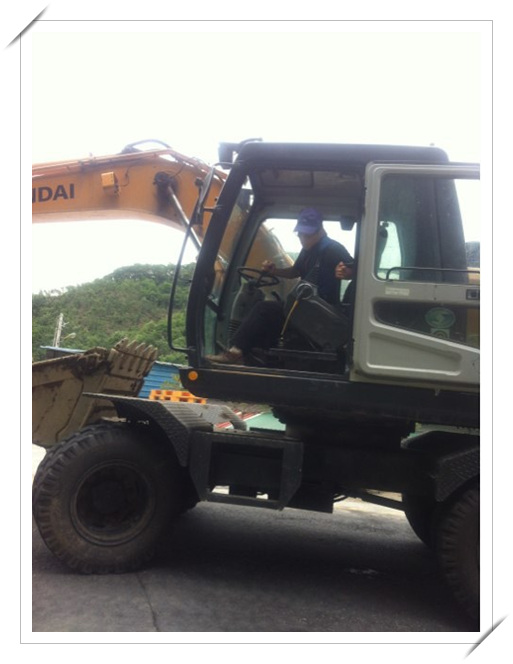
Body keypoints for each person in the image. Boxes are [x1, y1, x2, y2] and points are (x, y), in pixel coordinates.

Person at [206, 207, 354, 365]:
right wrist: (274, 271)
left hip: (320, 313)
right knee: (270, 316)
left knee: (264, 309)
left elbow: (355, 270)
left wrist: (347, 272)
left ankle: (235, 353)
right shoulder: (308, 250)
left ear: (320, 230)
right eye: (300, 234)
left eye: (307, 234)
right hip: (306, 309)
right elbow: (295, 271)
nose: (302, 238)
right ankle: (255, 357)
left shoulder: (332, 249)